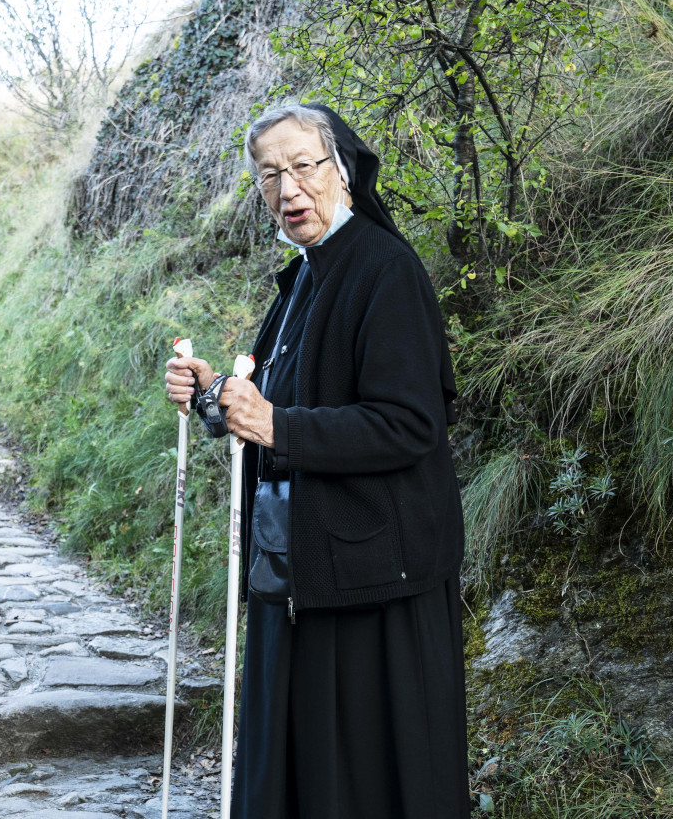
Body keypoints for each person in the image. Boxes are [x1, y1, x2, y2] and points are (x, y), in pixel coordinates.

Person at [162, 103, 469, 819]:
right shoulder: (301, 279)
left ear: (344, 174)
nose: (288, 187)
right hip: (298, 573)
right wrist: (215, 395)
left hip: (373, 585)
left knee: (368, 784)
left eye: (303, 166)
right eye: (270, 174)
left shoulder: (385, 271)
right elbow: (275, 407)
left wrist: (275, 421)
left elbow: (408, 422)